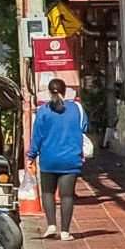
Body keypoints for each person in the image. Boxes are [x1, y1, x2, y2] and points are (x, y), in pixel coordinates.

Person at [29, 77, 87, 240]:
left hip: (48, 159)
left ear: (49, 92)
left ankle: (51, 225)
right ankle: (65, 232)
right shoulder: (77, 108)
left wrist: (31, 156)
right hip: (70, 158)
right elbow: (85, 127)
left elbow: (37, 136)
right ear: (65, 91)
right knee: (66, 196)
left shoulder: (43, 111)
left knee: (48, 192)